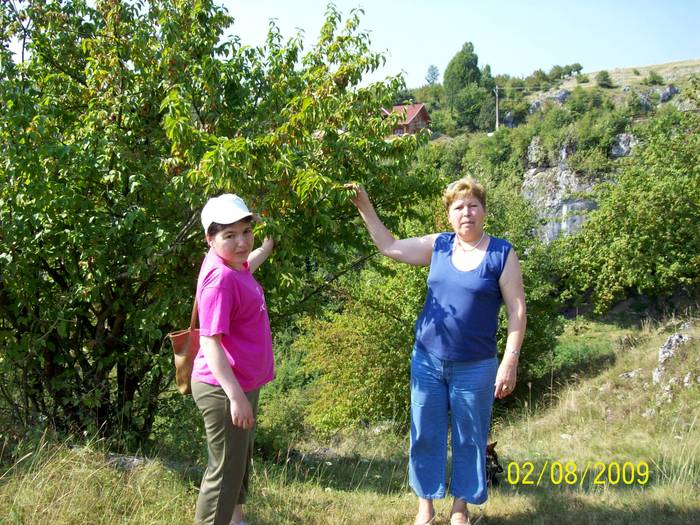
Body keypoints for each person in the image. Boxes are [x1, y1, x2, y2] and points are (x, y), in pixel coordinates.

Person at [348, 177, 526, 525]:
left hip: (476, 365)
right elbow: (391, 246)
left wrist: (510, 361)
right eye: (459, 207)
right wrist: (363, 206)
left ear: (484, 211)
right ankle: (425, 508)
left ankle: (461, 508)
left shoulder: (501, 253)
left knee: (470, 438)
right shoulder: (439, 246)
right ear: (449, 215)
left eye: (473, 205)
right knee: (425, 434)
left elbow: (517, 310)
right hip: (427, 360)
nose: (467, 213)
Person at [191, 193, 275, 525]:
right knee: (224, 471)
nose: (241, 242)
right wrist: (236, 397)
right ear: (210, 238)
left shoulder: (230, 264)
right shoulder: (220, 279)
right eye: (229, 235)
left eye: (246, 232)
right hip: (224, 388)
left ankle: (235, 519)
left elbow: (245, 265)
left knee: (238, 461)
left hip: (240, 384)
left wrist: (265, 249)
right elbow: (210, 342)